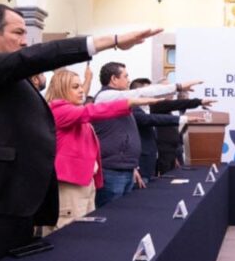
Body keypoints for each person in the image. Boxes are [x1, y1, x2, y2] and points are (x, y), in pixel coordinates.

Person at [0, 5, 160, 261]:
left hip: (14, 203)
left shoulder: (13, 79)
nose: (24, 42)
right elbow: (28, 60)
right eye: (18, 33)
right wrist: (107, 41)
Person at [47, 69, 160, 226]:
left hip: (85, 181)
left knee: (84, 228)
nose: (81, 90)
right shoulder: (58, 110)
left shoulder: (73, 112)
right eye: (75, 87)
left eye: (81, 86)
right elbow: (92, 111)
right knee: (68, 229)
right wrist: (129, 102)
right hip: (71, 182)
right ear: (61, 89)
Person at [93, 62, 202, 207]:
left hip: (126, 169)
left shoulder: (122, 101)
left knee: (122, 213)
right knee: (110, 213)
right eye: (125, 76)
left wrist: (133, 167)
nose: (128, 80)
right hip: (113, 171)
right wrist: (178, 86)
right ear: (113, 79)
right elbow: (140, 94)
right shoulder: (106, 96)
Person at [128, 78, 214, 180]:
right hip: (146, 160)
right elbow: (155, 119)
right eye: (149, 91)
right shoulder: (134, 109)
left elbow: (176, 104)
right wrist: (183, 118)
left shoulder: (150, 106)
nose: (152, 94)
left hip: (163, 155)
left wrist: (199, 102)